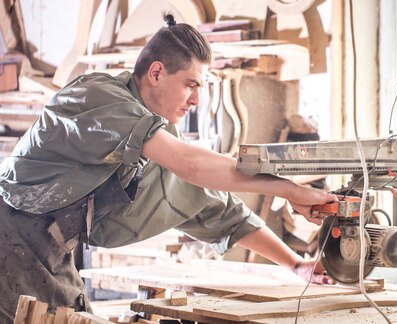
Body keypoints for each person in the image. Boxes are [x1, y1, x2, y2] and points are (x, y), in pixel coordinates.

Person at [0, 13, 336, 322]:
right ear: (157, 72)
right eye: (191, 85)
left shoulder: (156, 142)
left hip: (53, 252)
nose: (196, 101)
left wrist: (298, 265)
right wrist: (287, 188)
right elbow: (189, 164)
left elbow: (219, 209)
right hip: (9, 236)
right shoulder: (98, 96)